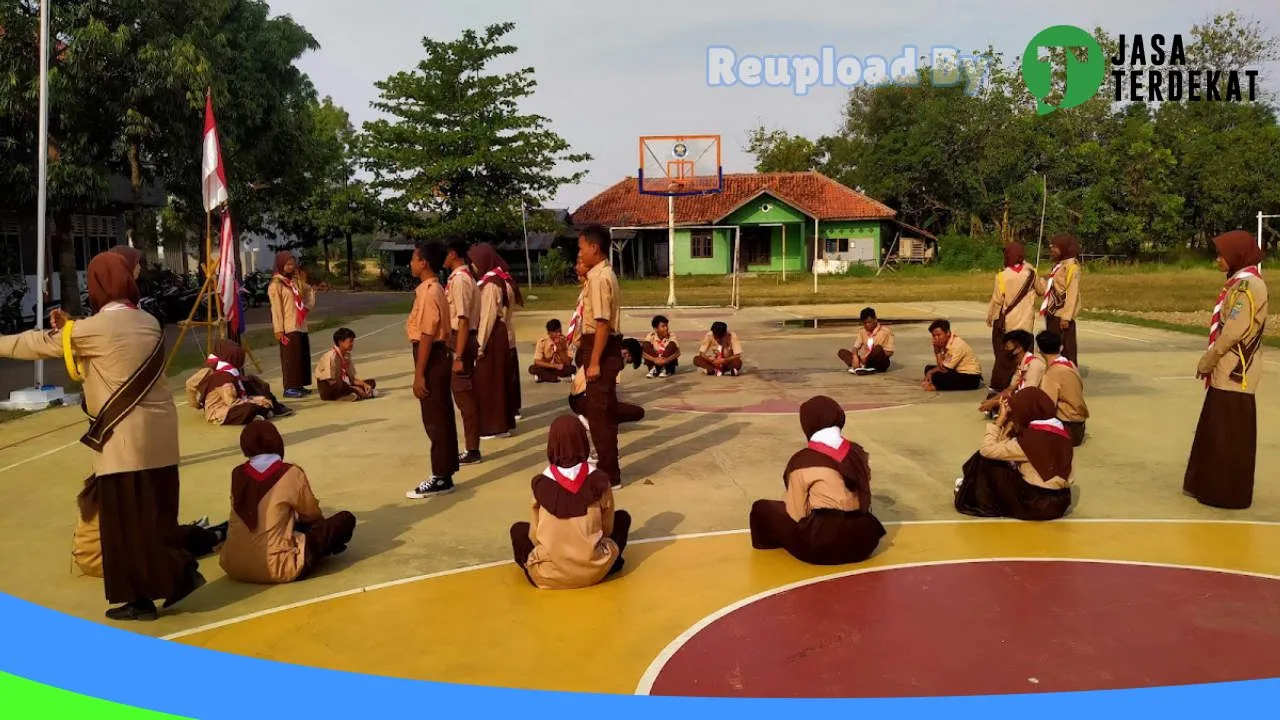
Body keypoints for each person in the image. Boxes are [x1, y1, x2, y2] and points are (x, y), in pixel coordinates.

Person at [0, 251, 203, 621]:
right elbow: (111, 339)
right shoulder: (148, 321)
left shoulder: (91, 330)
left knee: (123, 525)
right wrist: (72, 327)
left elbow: (36, 344)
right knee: (156, 516)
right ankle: (173, 576)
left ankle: (148, 595)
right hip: (161, 437)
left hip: (122, 442)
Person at [1184, 230, 1269, 510]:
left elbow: (1232, 331)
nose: (1217, 260)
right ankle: (1208, 485)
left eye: (1221, 255)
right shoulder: (1237, 284)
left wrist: (1208, 359)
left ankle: (1225, 492)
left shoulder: (1248, 288)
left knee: (1229, 433)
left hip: (1235, 370)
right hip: (1228, 368)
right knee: (1217, 429)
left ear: (1236, 256)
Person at [749, 395, 886, 565]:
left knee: (761, 509)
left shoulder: (802, 460)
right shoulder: (858, 452)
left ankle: (771, 549)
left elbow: (797, 513)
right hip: (864, 543)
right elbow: (865, 501)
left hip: (822, 546)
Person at [219, 422, 356, 584]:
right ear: (277, 442)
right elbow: (311, 514)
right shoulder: (290, 473)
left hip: (233, 564)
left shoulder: (237, 474)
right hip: (278, 566)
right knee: (344, 520)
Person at [509, 416, 631, 589]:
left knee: (518, 530)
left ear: (552, 444)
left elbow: (535, 535)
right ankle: (608, 563)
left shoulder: (541, 484)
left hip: (548, 574)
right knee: (623, 519)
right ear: (583, 441)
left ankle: (550, 570)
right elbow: (607, 528)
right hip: (594, 571)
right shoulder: (599, 481)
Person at [953, 387, 1074, 521]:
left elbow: (987, 449)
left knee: (986, 460)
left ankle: (974, 498)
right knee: (999, 457)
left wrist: (1000, 420)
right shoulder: (1063, 432)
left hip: (1036, 505)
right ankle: (968, 484)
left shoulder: (1031, 439)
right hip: (1061, 502)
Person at [405, 241, 460, 500]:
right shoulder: (436, 288)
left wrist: (419, 374)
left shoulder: (429, 291)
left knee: (435, 419)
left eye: (414, 259)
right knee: (441, 416)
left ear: (424, 262)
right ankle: (445, 472)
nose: (411, 264)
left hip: (431, 354)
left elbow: (427, 334)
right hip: (438, 354)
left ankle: (440, 475)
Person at [575, 225, 625, 489]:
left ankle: (609, 473)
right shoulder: (598, 274)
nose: (580, 253)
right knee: (601, 411)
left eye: (582, 248)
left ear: (594, 248)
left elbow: (602, 322)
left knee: (599, 414)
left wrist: (594, 362)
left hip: (600, 347)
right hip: (599, 345)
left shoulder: (599, 277)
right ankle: (607, 463)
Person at [185, 339, 292, 425]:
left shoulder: (230, 370)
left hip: (233, 393)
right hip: (221, 402)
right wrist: (197, 404)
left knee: (253, 381)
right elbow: (190, 384)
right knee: (246, 406)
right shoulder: (209, 369)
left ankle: (274, 405)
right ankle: (257, 411)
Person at [470, 243, 515, 440]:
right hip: (497, 335)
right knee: (496, 381)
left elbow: (487, 317)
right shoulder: (495, 280)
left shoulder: (491, 284)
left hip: (492, 337)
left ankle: (493, 426)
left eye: (473, 261)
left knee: (489, 383)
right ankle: (501, 423)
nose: (472, 266)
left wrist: (480, 345)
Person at [444, 240, 484, 465]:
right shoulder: (464, 278)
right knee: (463, 394)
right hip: (463, 338)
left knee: (463, 394)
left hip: (461, 339)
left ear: (452, 254)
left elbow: (462, 319)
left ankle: (472, 449)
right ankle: (471, 447)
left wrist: (457, 356)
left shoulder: (459, 281)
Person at [986, 242, 1038, 392]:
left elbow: (997, 300)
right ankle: (1025, 387)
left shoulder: (1002, 276)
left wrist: (991, 317)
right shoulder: (1031, 273)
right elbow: (1041, 289)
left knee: (1005, 359)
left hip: (1009, 325)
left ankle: (1001, 388)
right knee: (1025, 358)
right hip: (1027, 324)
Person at [269, 252, 317, 398]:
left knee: (301, 356)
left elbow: (309, 290)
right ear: (280, 265)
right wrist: (279, 330)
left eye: (292, 264)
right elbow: (276, 309)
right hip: (288, 326)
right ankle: (290, 387)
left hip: (300, 324)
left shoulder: (294, 282)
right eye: (288, 264)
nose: (291, 267)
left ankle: (299, 384)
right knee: (291, 357)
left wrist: (307, 306)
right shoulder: (276, 284)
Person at [1037, 331, 1089, 447]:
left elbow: (1047, 405)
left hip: (1066, 426)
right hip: (1078, 423)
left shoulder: (1053, 373)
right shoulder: (1070, 365)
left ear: (1039, 350)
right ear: (1061, 347)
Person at [1037, 233, 1082, 365]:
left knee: (1067, 348)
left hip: (1061, 314)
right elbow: (1051, 286)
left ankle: (1070, 374)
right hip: (1052, 312)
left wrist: (1066, 317)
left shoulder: (1072, 267)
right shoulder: (1059, 265)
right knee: (1052, 348)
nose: (1052, 248)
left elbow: (1072, 292)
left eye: (1055, 246)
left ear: (1064, 247)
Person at [978, 330, 1044, 418]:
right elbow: (1011, 388)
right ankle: (999, 411)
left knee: (1006, 405)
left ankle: (1001, 413)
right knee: (993, 395)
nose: (1004, 350)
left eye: (1007, 347)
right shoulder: (1021, 363)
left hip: (1031, 402)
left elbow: (1028, 395)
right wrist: (991, 400)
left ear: (1019, 348)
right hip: (1019, 396)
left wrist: (994, 403)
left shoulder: (1034, 365)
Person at [315, 328, 377, 401]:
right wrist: (352, 388)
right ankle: (347, 395)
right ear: (341, 342)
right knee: (355, 391)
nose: (352, 344)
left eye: (353, 341)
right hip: (330, 388)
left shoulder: (346, 355)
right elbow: (330, 381)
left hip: (342, 384)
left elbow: (352, 378)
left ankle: (354, 394)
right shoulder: (331, 357)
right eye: (350, 341)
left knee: (371, 383)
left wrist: (364, 384)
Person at [922, 319, 983, 391]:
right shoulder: (945, 343)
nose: (936, 338)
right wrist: (937, 352)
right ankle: (935, 383)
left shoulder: (956, 345)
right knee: (928, 368)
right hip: (957, 371)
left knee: (936, 375)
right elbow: (941, 365)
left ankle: (936, 386)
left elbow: (944, 369)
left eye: (938, 335)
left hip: (970, 378)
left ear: (947, 333)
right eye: (934, 336)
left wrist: (930, 373)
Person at [838, 307, 895, 375]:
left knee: (878, 348)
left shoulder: (886, 332)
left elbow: (890, 352)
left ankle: (864, 367)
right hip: (864, 360)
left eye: (869, 322)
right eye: (865, 323)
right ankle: (864, 368)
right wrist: (855, 357)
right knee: (842, 352)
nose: (867, 325)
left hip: (879, 361)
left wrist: (869, 356)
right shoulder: (862, 331)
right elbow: (855, 347)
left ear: (875, 319)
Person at [529, 319, 575, 383]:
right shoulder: (542, 341)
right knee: (532, 368)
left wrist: (560, 349)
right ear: (549, 333)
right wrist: (554, 366)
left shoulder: (566, 341)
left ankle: (544, 377)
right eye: (555, 332)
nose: (558, 334)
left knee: (572, 368)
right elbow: (537, 361)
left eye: (560, 331)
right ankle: (556, 378)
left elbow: (568, 363)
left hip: (560, 367)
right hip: (547, 366)